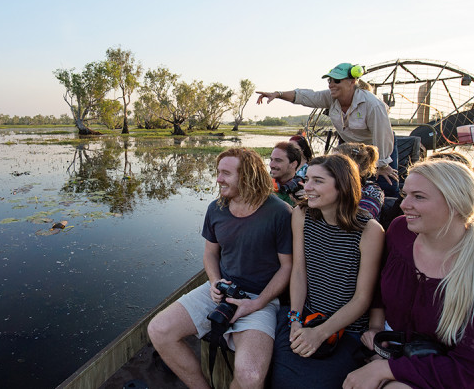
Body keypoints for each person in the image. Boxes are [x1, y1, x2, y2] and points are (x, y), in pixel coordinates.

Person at [344, 160, 474, 389]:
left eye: (418, 197)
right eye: (405, 195)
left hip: (456, 375)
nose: (404, 204)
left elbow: (469, 370)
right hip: (398, 349)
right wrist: (376, 327)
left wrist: (385, 369)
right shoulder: (400, 231)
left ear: (456, 203)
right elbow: (381, 285)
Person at [147, 147, 293, 389]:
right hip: (220, 290)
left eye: (226, 173)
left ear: (247, 176)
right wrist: (215, 281)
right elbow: (210, 253)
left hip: (260, 300)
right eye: (217, 172)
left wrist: (257, 303)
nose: (218, 179)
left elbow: (287, 267)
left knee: (250, 377)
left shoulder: (280, 213)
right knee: (159, 330)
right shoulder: (216, 208)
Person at [271, 154, 385, 389]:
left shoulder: (370, 231)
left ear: (342, 185)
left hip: (346, 329)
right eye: (307, 179)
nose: (307, 187)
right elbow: (299, 272)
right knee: (277, 373)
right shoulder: (301, 215)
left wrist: (321, 333)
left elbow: (362, 298)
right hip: (306, 316)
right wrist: (295, 319)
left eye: (318, 181)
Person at [256, 63, 400, 197]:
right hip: (349, 147)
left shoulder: (372, 104)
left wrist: (382, 164)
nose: (331, 85)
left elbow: (383, 136)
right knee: (342, 183)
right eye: (329, 81)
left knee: (386, 184)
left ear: (352, 82)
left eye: (336, 81)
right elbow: (305, 96)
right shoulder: (330, 97)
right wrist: (279, 94)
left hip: (378, 149)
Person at [334, 142, 385, 219]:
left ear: (354, 167)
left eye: (336, 164)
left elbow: (362, 219)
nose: (328, 166)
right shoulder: (326, 184)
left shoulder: (372, 192)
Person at [270, 141, 304, 206]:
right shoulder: (262, 185)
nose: (271, 165)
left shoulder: (304, 191)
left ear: (293, 164)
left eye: (278, 160)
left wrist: (305, 203)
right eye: (271, 160)